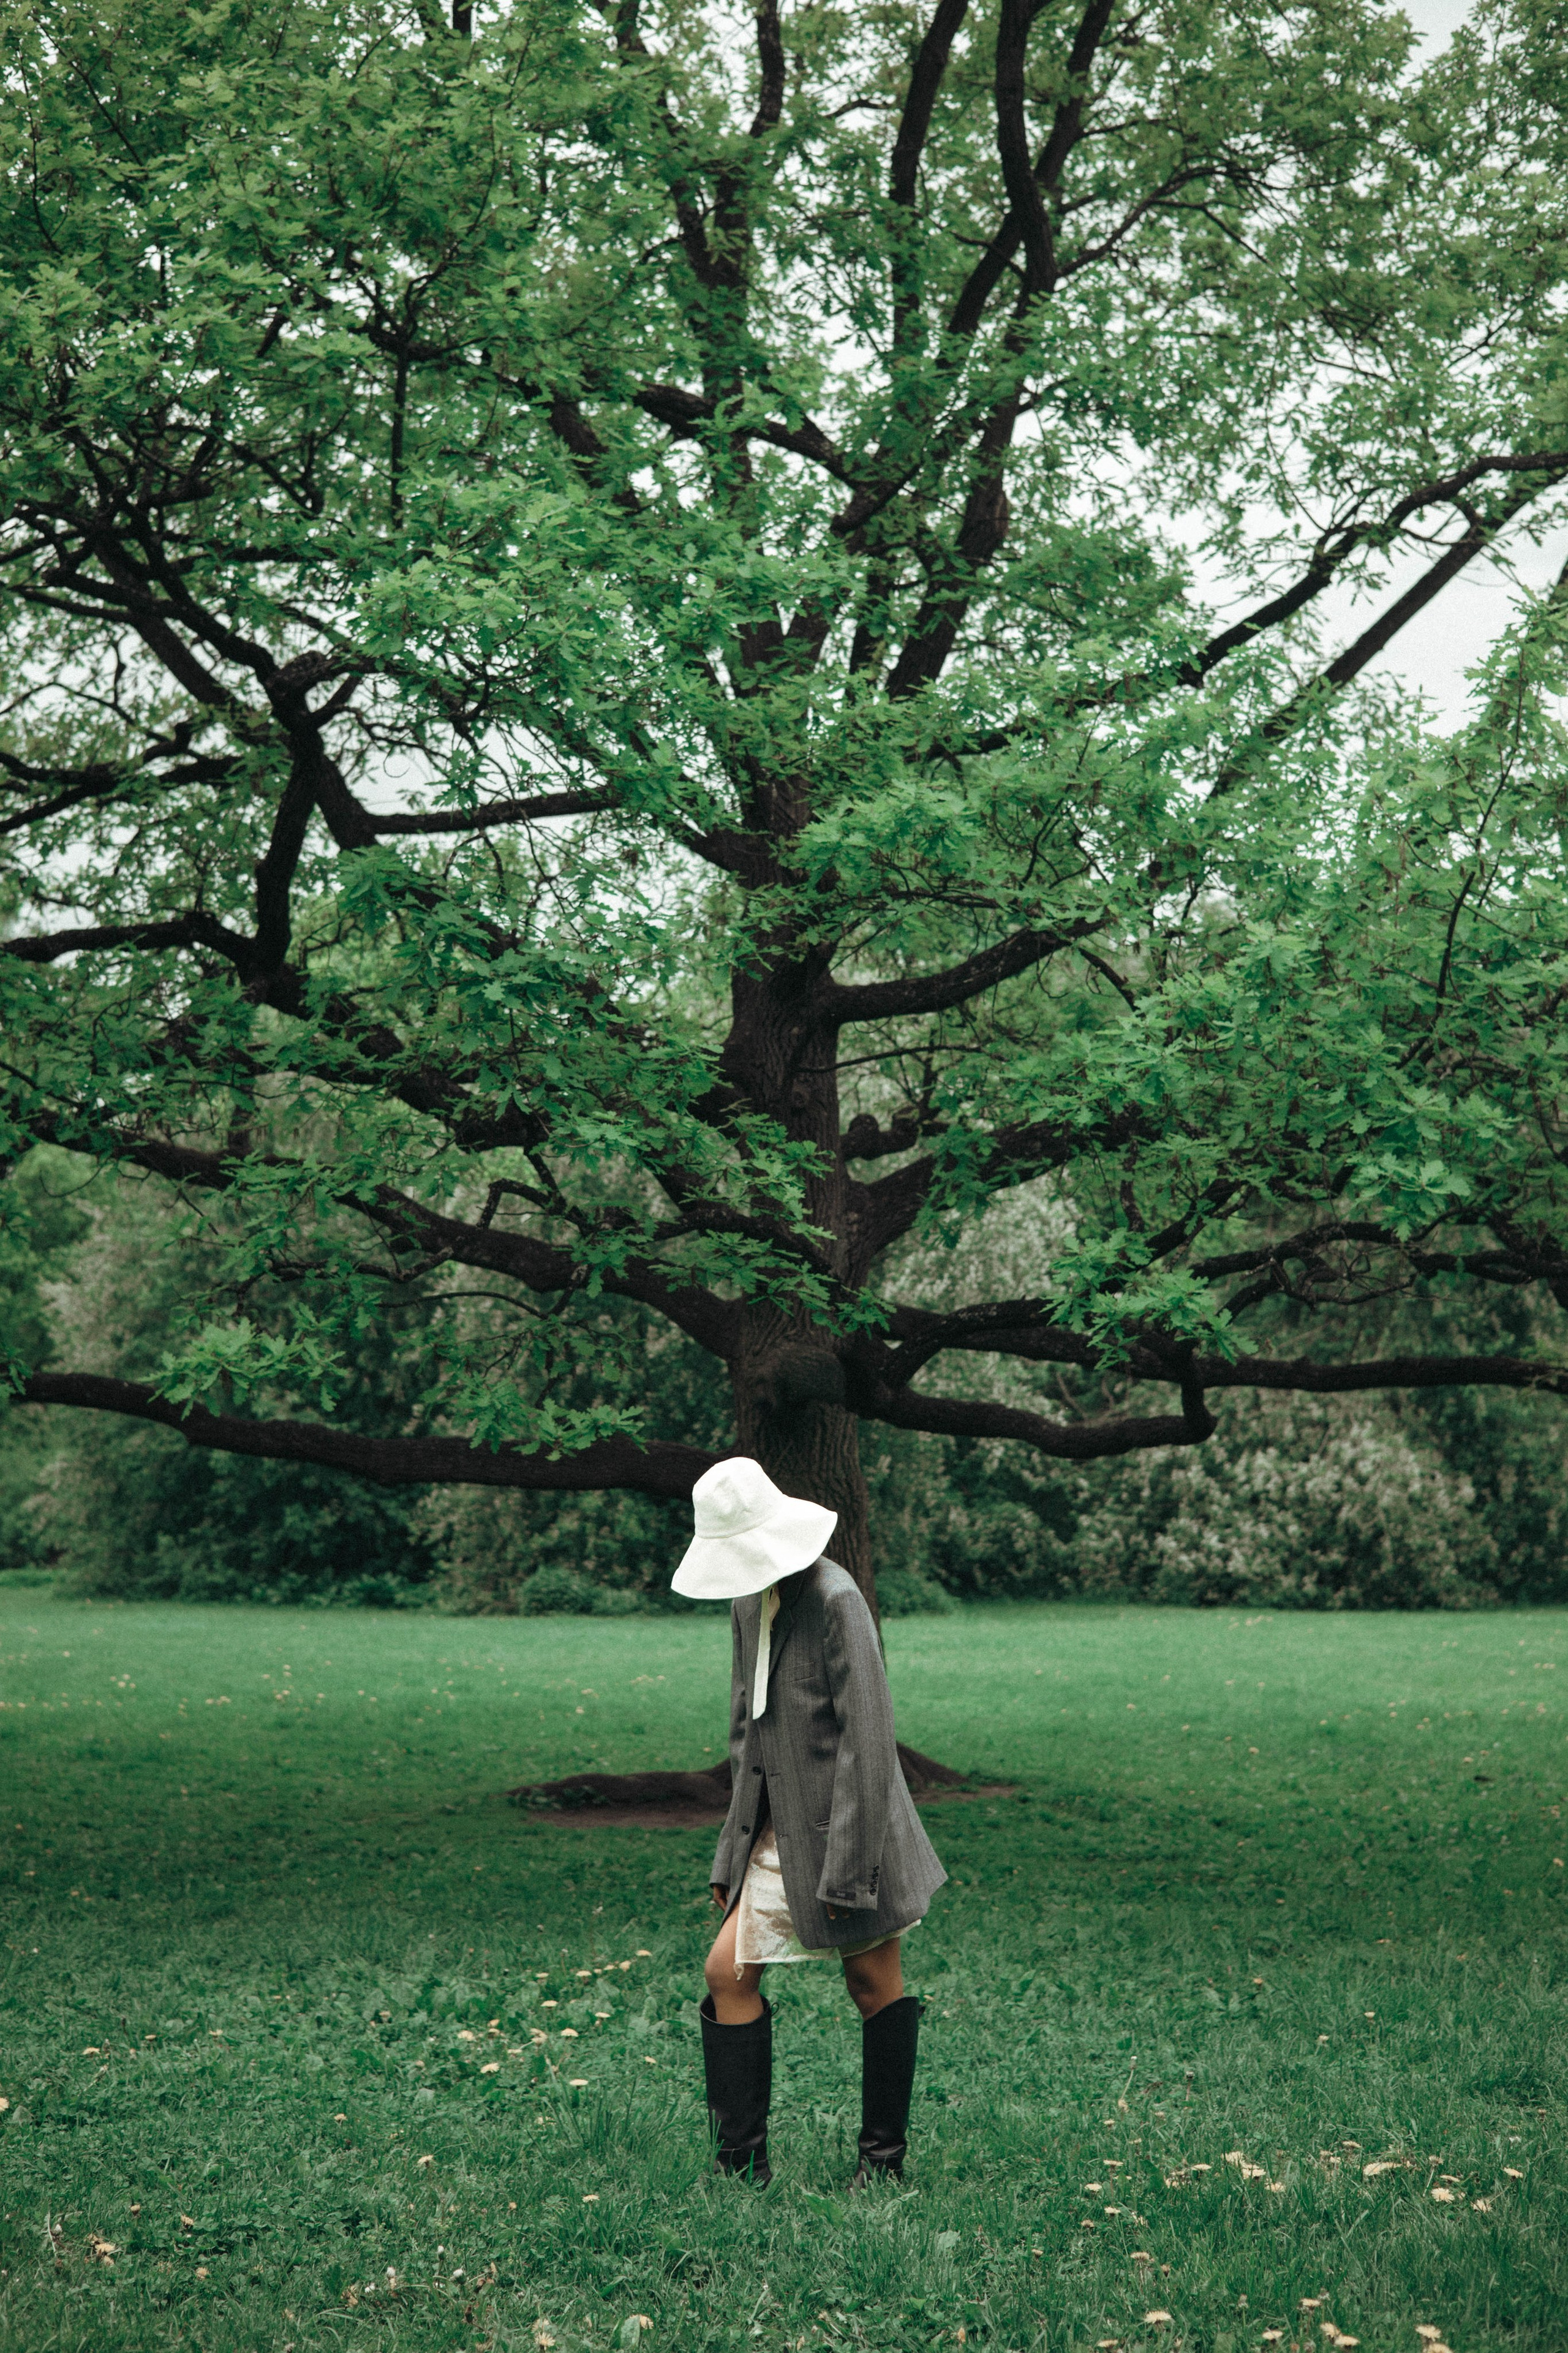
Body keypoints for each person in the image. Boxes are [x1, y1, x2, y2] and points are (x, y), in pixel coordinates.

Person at [673, 1455, 948, 2188]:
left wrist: (848, 1869)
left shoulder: (835, 1597)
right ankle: (741, 2167)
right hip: (775, 1832)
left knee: (869, 1981)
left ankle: (882, 2166)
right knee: (725, 1971)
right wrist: (730, 1858)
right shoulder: (745, 1606)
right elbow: (745, 1737)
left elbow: (870, 1738)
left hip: (854, 1831)